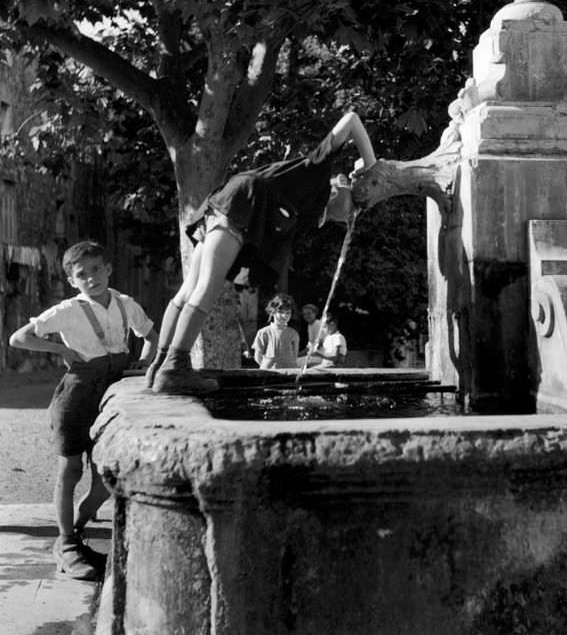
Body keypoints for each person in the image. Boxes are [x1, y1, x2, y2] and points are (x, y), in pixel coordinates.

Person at [146, 110, 376, 395]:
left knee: (189, 289)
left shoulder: (310, 213)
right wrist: (371, 164)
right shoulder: (317, 169)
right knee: (207, 287)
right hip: (241, 202)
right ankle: (175, 367)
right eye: (355, 202)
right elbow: (352, 119)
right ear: (336, 190)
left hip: (226, 205)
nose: (355, 211)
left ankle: (159, 364)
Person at [9, 240, 158, 581]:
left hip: (113, 395)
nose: (91, 279)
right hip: (76, 398)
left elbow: (152, 335)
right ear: (73, 281)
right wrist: (60, 348)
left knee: (106, 477)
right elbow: (19, 338)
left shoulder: (125, 303)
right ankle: (67, 542)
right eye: (82, 275)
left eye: (96, 270)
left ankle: (73, 532)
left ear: (107, 269)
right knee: (70, 471)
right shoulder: (67, 311)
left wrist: (142, 363)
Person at [252, 293, 300, 370]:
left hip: (289, 373)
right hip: (269, 374)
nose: (284, 316)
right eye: (281, 312)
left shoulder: (293, 334)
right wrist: (268, 367)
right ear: (273, 312)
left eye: (288, 313)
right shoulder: (264, 332)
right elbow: (258, 356)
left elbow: (294, 356)